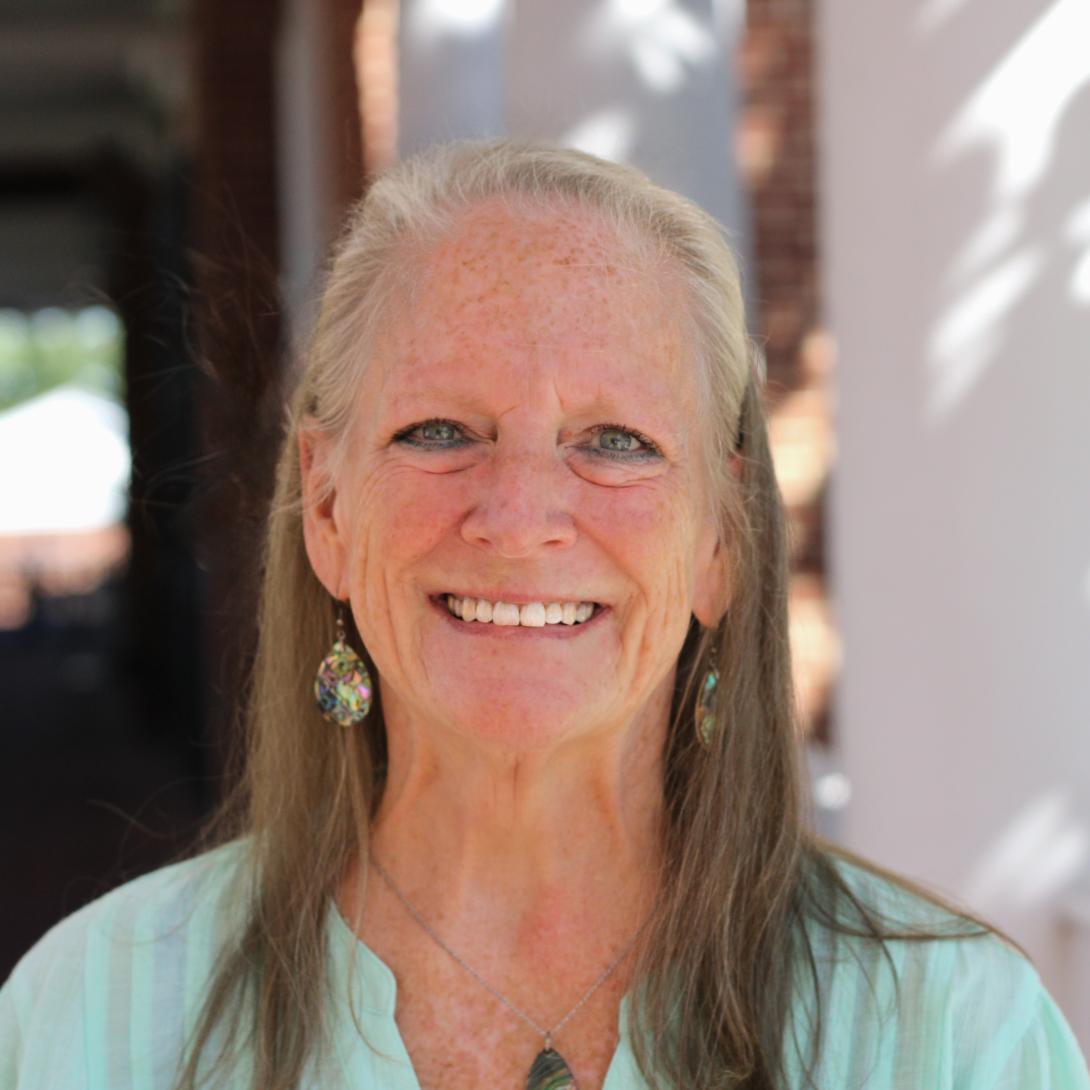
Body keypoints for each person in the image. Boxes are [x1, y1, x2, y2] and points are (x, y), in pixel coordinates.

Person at [2, 139, 1088, 1090]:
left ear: (720, 539)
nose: (519, 517)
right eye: (438, 430)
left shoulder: (951, 1032)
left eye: (614, 441)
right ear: (327, 508)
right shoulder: (92, 1015)